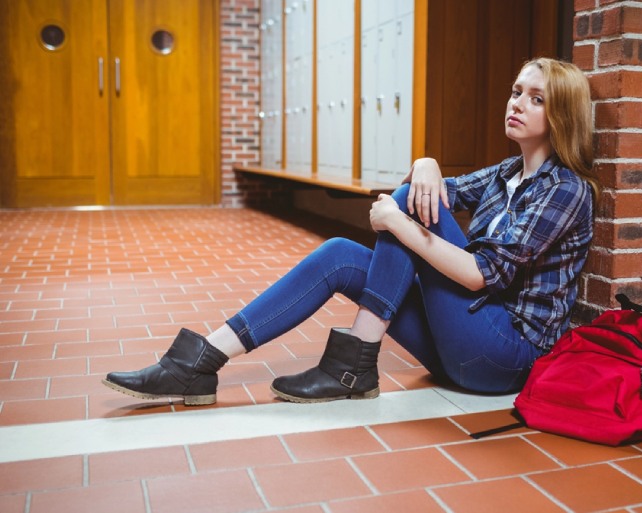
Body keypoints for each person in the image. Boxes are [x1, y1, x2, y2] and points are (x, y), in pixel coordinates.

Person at [103, 57, 599, 406]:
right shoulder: (505, 174)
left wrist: (402, 217)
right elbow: (436, 189)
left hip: (505, 357)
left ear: (559, 115)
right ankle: (202, 362)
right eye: (517, 92)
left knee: (406, 208)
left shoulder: (566, 189)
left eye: (536, 99)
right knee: (342, 253)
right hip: (461, 343)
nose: (518, 103)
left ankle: (354, 364)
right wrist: (425, 163)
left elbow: (479, 275)